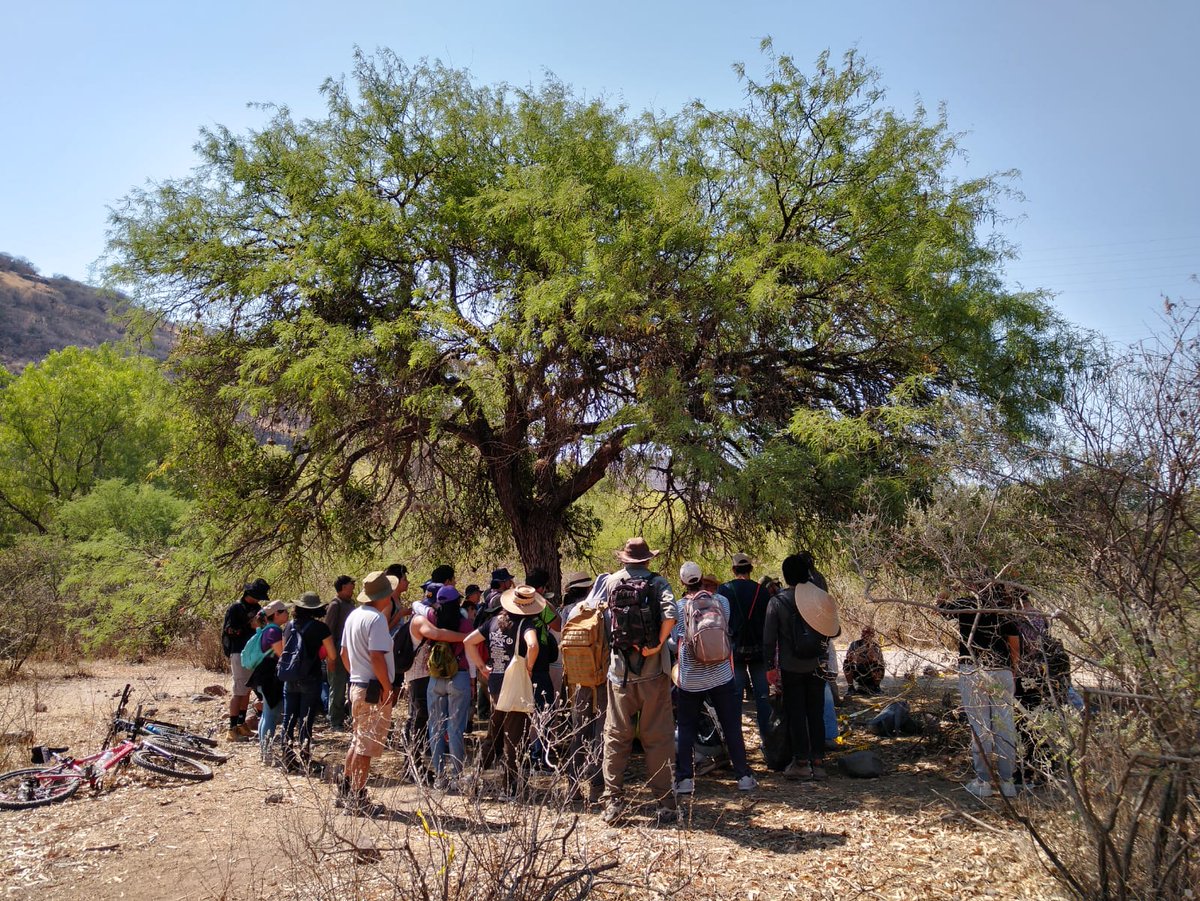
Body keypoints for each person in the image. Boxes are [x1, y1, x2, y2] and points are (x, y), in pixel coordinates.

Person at [595, 537, 678, 826]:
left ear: (624, 559)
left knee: (616, 736)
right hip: (654, 674)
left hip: (619, 674)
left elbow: (598, 617)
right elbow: (671, 615)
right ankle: (666, 805)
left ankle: (613, 802)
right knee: (659, 737)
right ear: (647, 559)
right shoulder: (658, 583)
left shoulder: (610, 582)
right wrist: (656, 645)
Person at [673, 562, 758, 796]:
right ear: (701, 578)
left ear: (682, 582)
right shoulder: (722, 602)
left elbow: (675, 638)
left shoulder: (679, 606)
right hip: (722, 674)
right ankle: (743, 776)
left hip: (690, 678)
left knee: (686, 727)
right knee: (731, 725)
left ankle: (684, 779)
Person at [937, 583, 1021, 799]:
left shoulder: (966, 603)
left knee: (980, 724)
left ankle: (982, 780)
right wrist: (1013, 670)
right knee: (1005, 725)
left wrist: (948, 586)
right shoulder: (1004, 608)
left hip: (972, 668)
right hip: (1001, 669)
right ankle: (1007, 781)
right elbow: (1014, 644)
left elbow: (941, 608)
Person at [764, 553, 840, 781]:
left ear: (786, 576)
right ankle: (819, 762)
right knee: (815, 712)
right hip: (817, 664)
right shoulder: (820, 597)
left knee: (796, 714)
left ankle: (801, 762)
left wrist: (770, 666)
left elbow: (769, 639)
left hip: (791, 666)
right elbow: (835, 631)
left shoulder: (777, 601)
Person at [464, 584, 543, 797]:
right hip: (515, 685)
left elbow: (468, 641)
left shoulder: (493, 622)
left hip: (496, 685)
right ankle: (510, 786)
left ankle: (475, 777)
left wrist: (482, 667)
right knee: (513, 737)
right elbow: (533, 646)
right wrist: (528, 667)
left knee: (494, 732)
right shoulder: (526, 624)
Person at [338, 569, 400, 816]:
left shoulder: (354, 616)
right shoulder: (376, 620)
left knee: (357, 740)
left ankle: (346, 790)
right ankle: (358, 799)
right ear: (387, 594)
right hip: (373, 689)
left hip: (358, 686)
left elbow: (344, 653)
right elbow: (377, 657)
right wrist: (387, 687)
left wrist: (356, 676)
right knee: (365, 747)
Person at [559, 570, 608, 803]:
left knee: (579, 731)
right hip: (602, 679)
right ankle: (597, 787)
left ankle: (572, 786)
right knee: (601, 732)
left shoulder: (573, 611)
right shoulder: (606, 611)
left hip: (578, 679)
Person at [421, 585, 473, 789]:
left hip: (435, 678)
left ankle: (440, 776)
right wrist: (473, 678)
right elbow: (470, 652)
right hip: (458, 675)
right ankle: (457, 776)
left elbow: (418, 605)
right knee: (455, 729)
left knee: (435, 727)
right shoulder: (465, 625)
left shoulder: (431, 620)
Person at [279, 591, 336, 772]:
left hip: (290, 677)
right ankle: (305, 758)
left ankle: (287, 757)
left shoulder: (288, 626)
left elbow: (282, 651)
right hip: (311, 678)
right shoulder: (321, 628)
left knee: (289, 718)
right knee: (305, 720)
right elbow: (332, 654)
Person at [718, 554, 772, 742]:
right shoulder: (762, 592)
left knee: (734, 700)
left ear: (734, 570)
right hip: (759, 652)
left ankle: (735, 743)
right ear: (751, 569)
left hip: (734, 653)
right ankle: (769, 741)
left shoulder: (723, 590)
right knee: (763, 698)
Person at [221, 578, 270, 742]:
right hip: (239, 651)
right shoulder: (236, 608)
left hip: (253, 653)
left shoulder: (257, 608)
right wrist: (248, 626)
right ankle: (232, 728)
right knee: (238, 690)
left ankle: (242, 724)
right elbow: (229, 630)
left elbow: (264, 626)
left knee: (247, 689)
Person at [248, 600, 288, 762]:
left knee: (266, 714)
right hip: (269, 678)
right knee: (270, 715)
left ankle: (265, 752)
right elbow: (281, 654)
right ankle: (267, 754)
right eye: (284, 611)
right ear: (276, 614)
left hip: (263, 676)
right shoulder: (274, 631)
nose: (287, 613)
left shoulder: (268, 630)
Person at [324, 575, 357, 732]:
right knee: (337, 688)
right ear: (343, 586)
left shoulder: (350, 604)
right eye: (351, 584)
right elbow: (326, 632)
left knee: (353, 686)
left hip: (351, 650)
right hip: (336, 650)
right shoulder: (335, 605)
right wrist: (330, 657)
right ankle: (335, 721)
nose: (353, 587)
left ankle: (353, 718)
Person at [843, 626, 885, 695]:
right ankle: (850, 687)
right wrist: (862, 659)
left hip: (871, 671)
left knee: (878, 665)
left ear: (872, 635)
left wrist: (870, 647)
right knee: (846, 663)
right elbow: (849, 656)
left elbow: (875, 659)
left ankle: (876, 687)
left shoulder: (876, 646)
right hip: (858, 669)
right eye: (863, 632)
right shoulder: (854, 644)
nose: (864, 634)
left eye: (867, 632)